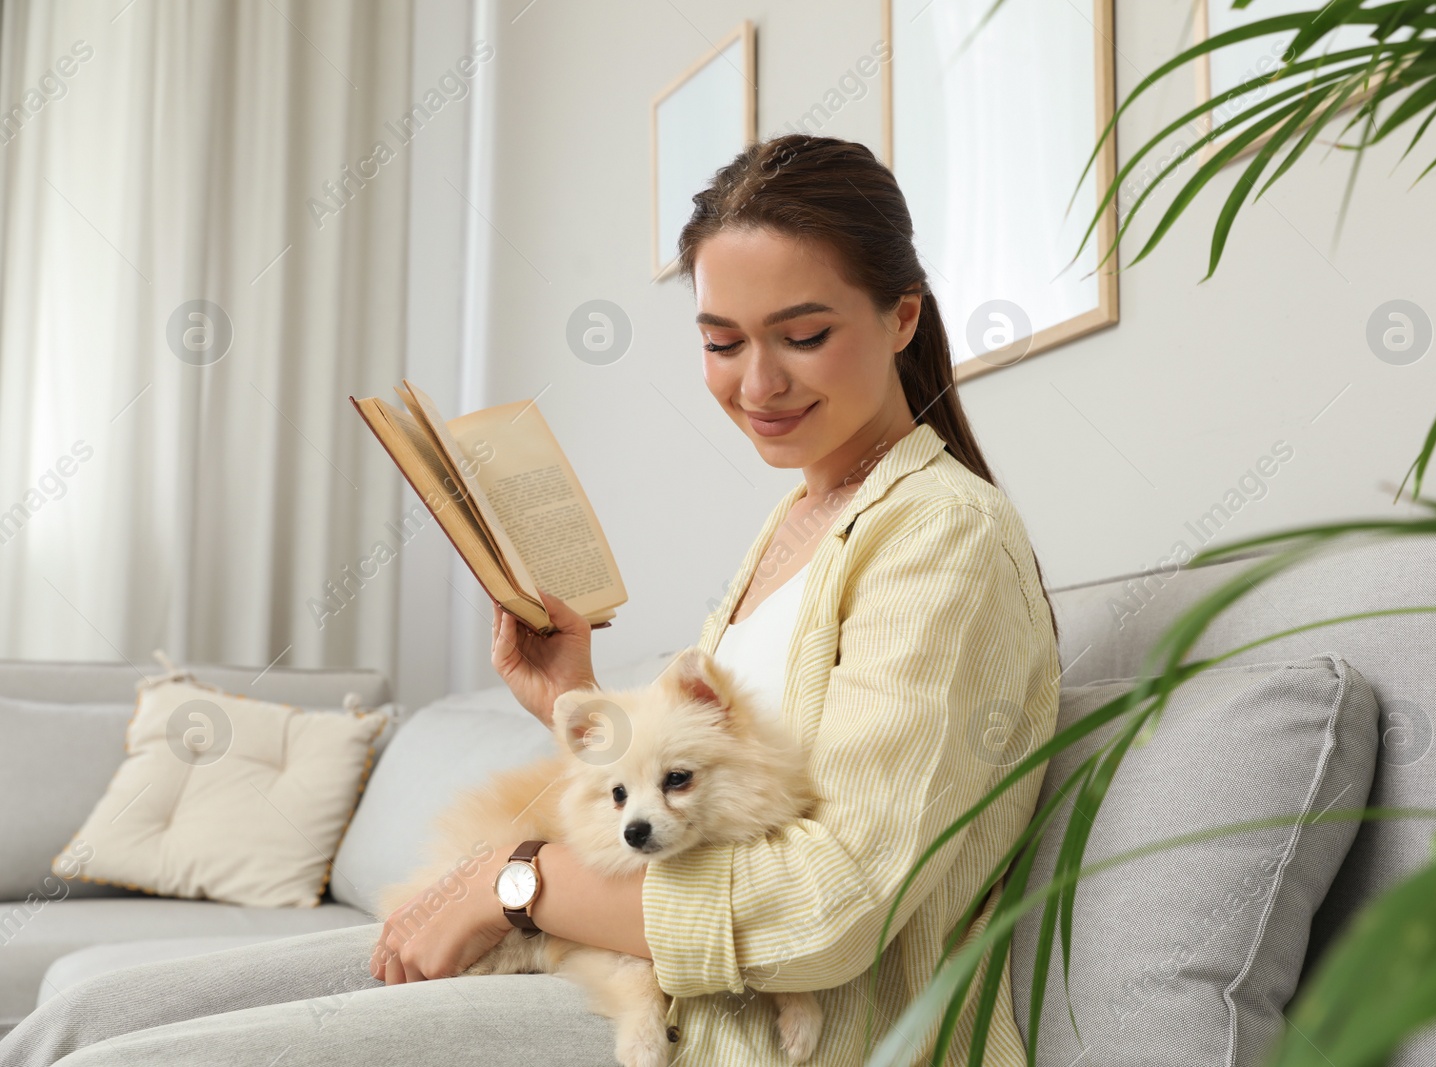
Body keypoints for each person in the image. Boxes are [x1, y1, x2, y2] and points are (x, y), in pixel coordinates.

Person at [0, 133, 1061, 1067]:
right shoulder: (797, 522)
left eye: (803, 332)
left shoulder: (942, 538)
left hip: (755, 1030)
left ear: (901, 316)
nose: (756, 384)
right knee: (94, 1007)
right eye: (721, 340)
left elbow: (834, 908)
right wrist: (579, 697)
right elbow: (705, 788)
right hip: (635, 973)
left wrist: (514, 881)